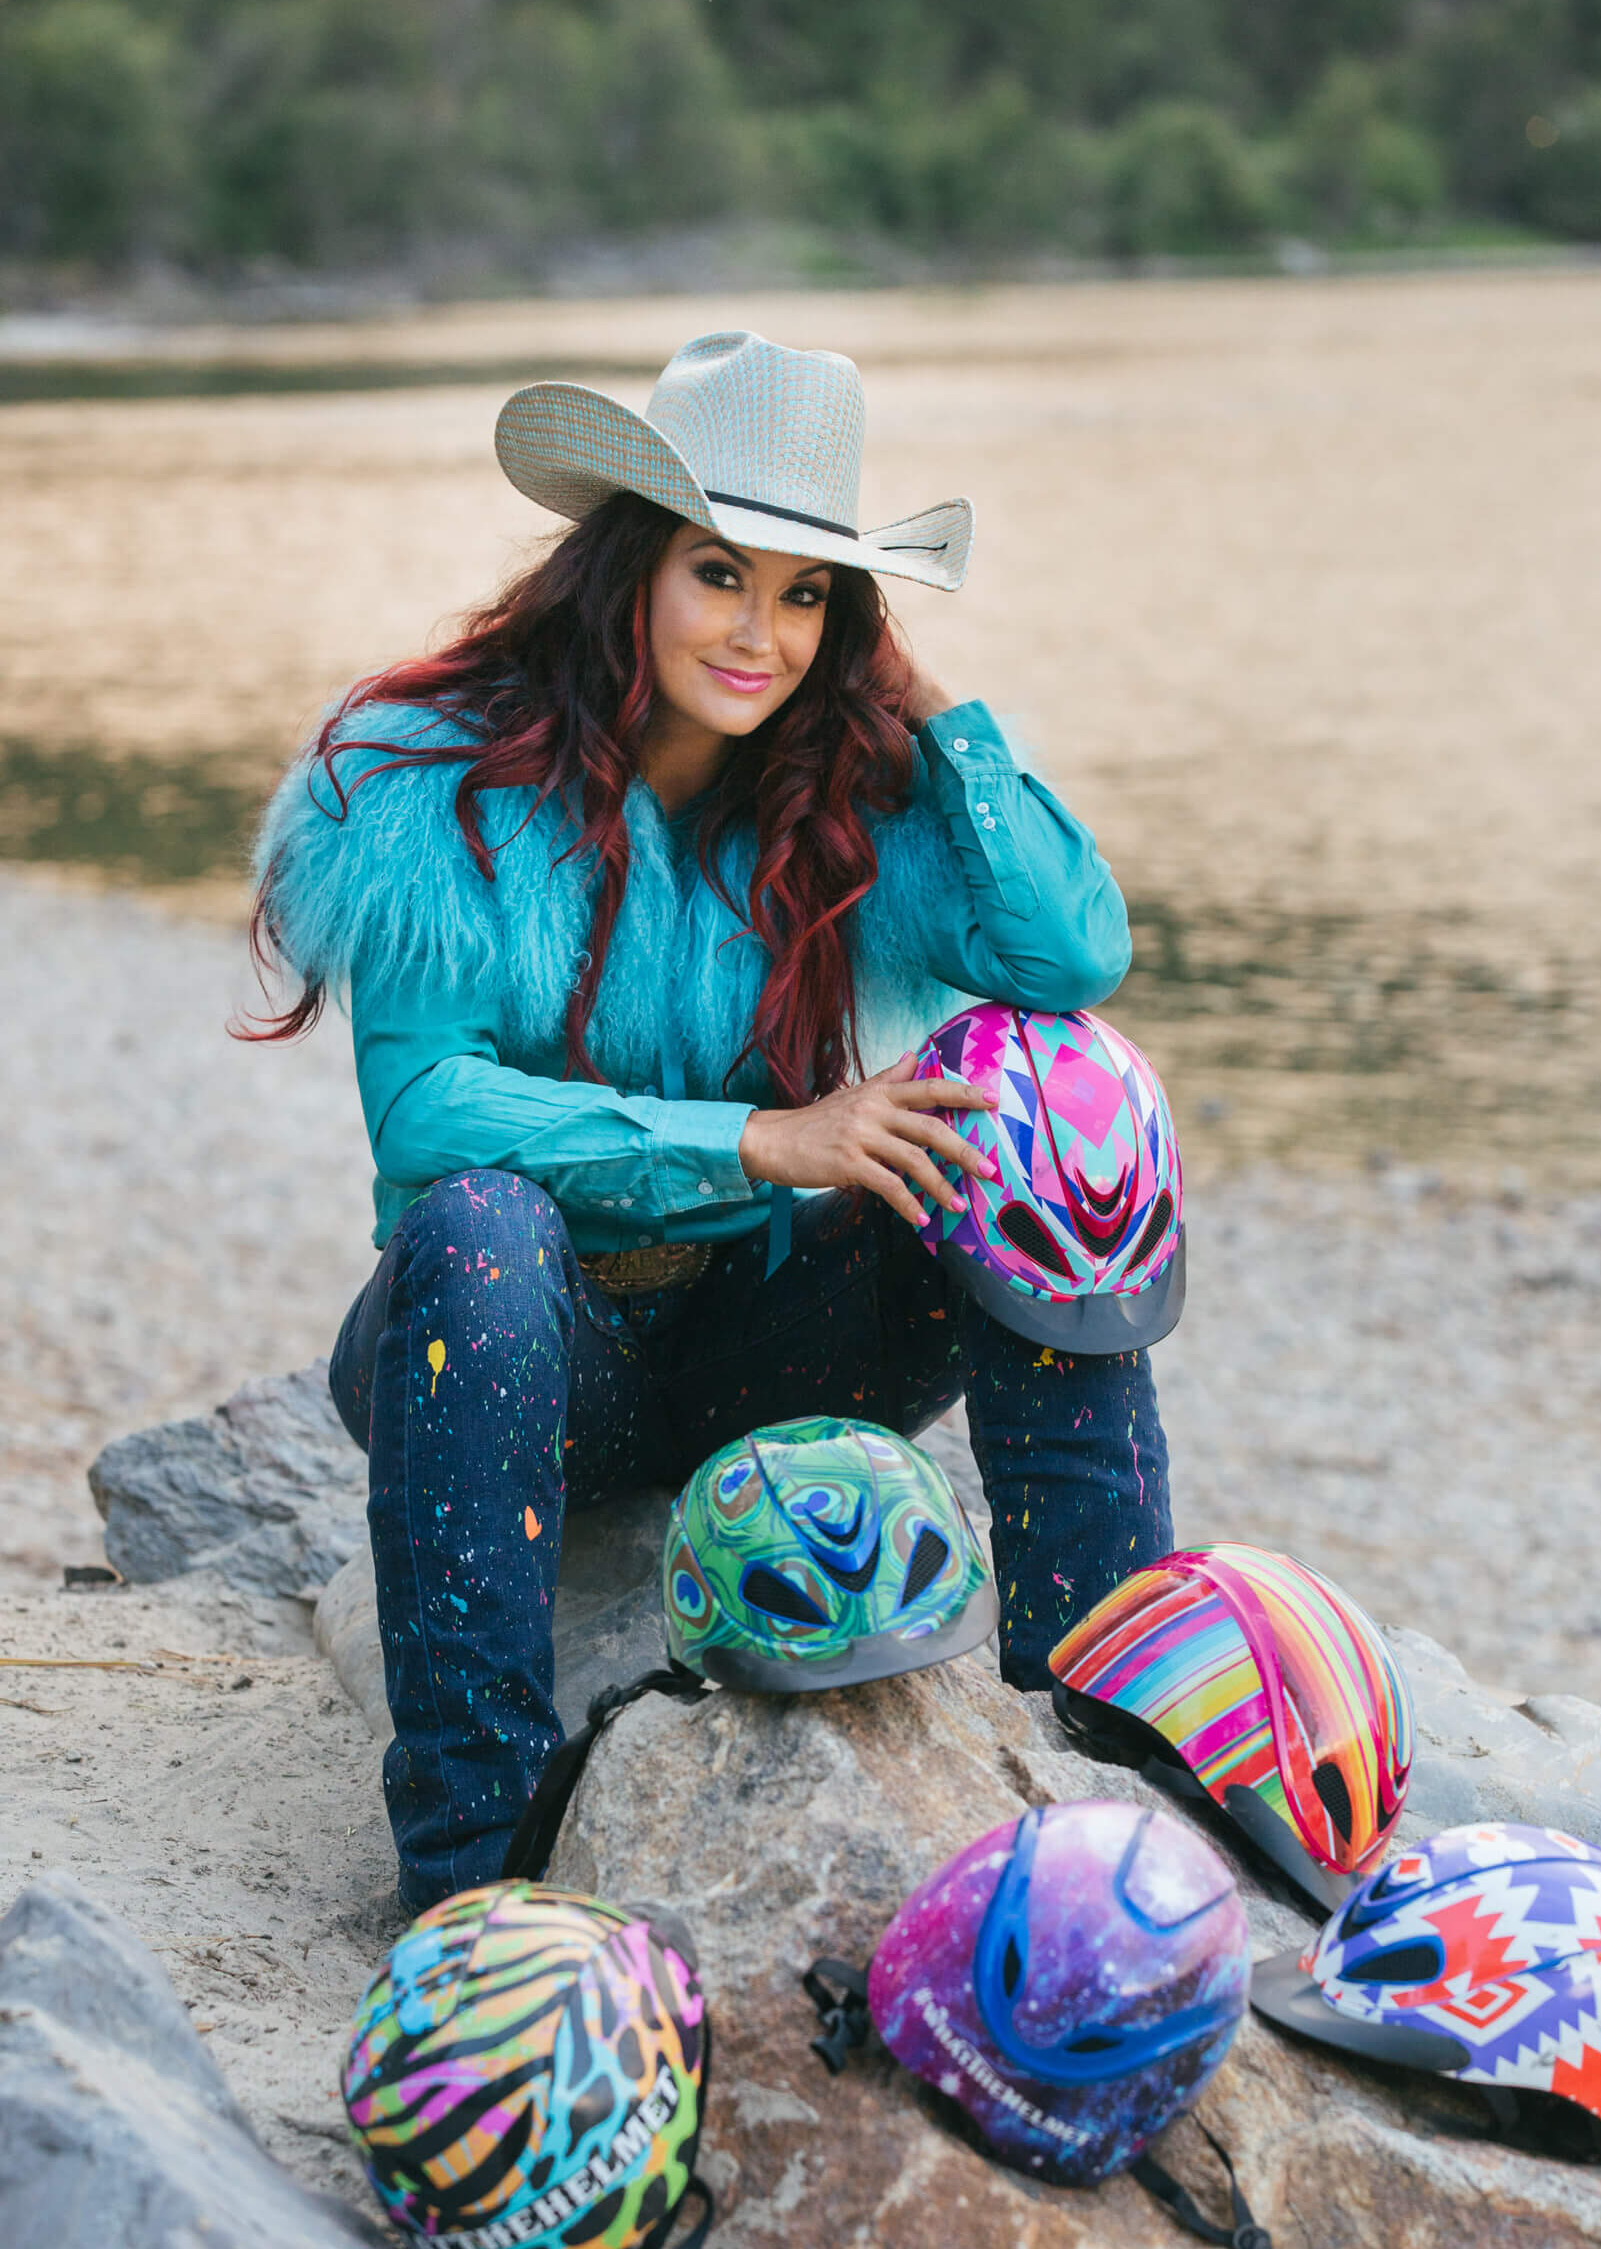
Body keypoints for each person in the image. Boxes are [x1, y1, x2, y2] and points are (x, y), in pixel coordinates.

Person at [246, 330, 1172, 1911]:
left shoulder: (833, 788)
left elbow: (1068, 957)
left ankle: (1102, 1745)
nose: (763, 631)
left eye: (809, 593)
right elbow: (428, 1115)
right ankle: (475, 1871)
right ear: (628, 570)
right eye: (720, 575)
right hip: (520, 1353)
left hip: (772, 1343)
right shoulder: (426, 775)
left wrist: (930, 708)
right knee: (479, 1216)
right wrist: (760, 1141)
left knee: (1047, 1090)